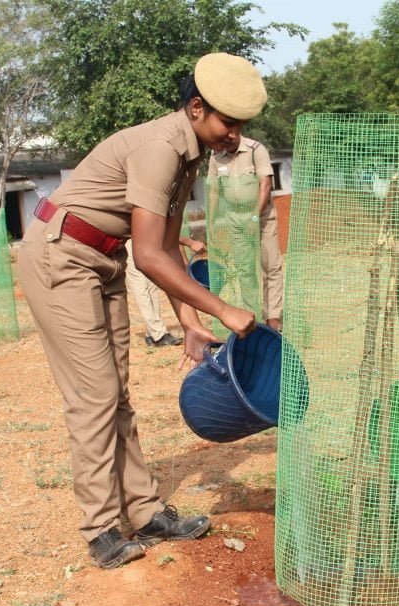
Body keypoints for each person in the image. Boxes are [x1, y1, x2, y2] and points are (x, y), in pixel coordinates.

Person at [16, 53, 265, 569]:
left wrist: (192, 325)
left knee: (117, 394)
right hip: (61, 255)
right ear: (196, 108)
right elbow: (149, 256)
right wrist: (224, 309)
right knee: (94, 395)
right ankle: (101, 527)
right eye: (228, 122)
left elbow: (167, 247)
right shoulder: (159, 149)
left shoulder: (188, 152)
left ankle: (146, 510)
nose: (235, 136)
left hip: (102, 259)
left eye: (242, 125)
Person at [206, 135, 284, 330]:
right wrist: (212, 223)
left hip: (262, 217)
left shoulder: (256, 149)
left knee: (271, 266)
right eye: (221, 140)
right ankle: (254, 316)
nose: (225, 143)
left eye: (229, 139)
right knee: (245, 269)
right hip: (235, 219)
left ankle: (273, 316)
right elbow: (214, 191)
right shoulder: (215, 156)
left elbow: (265, 185)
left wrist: (255, 218)